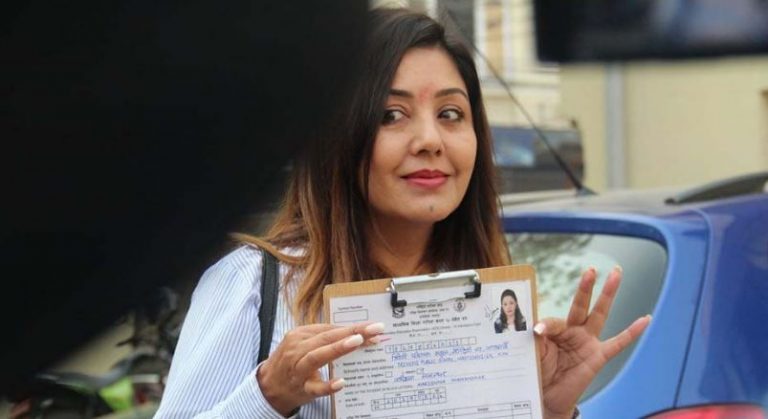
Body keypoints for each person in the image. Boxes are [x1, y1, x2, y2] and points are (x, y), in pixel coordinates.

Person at [155, 8, 650, 419]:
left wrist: (553, 411)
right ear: (336, 136)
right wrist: (267, 396)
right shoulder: (252, 284)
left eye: (451, 114)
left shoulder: (491, 302)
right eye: (392, 115)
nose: (430, 140)